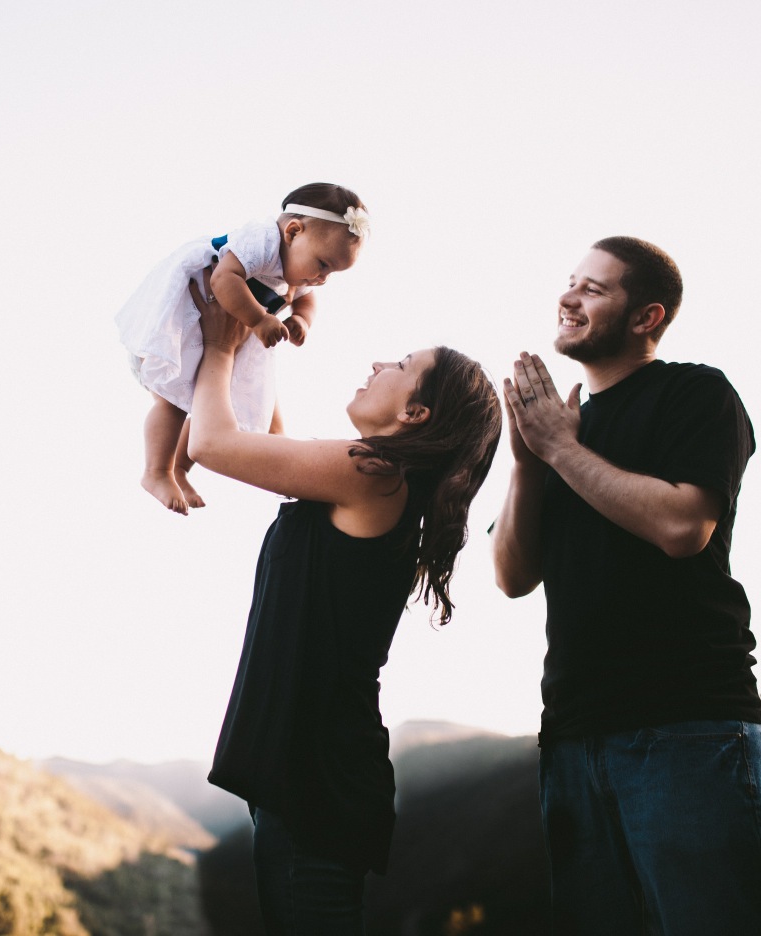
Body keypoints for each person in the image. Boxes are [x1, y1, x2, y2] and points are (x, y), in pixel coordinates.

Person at [491, 236, 761, 934]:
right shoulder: (555, 433)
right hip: (572, 733)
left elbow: (685, 526)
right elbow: (511, 576)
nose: (569, 296)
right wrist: (530, 465)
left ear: (646, 316)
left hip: (686, 724)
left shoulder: (696, 392)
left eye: (594, 288)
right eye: (570, 282)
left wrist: (561, 449)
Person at [187, 276, 502, 935]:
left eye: (402, 366)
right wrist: (257, 344)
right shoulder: (373, 477)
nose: (378, 364)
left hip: (317, 785)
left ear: (417, 414)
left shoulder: (372, 472)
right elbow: (268, 444)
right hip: (310, 778)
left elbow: (211, 444)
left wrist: (219, 348)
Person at [115, 182, 369, 514]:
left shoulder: (299, 272)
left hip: (222, 337)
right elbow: (224, 279)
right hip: (183, 325)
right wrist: (260, 320)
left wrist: (302, 321)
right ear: (293, 232)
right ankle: (157, 472)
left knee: (225, 408)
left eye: (332, 272)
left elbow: (308, 301)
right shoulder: (262, 240)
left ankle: (180, 468)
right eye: (323, 265)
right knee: (172, 403)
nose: (322, 278)